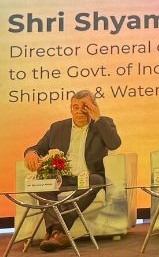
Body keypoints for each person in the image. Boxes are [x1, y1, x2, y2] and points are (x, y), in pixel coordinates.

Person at [24, 90, 121, 252]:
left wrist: (98, 118)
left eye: (85, 107)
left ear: (93, 107)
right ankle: (59, 234)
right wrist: (30, 153)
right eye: (75, 107)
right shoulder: (58, 128)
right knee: (42, 183)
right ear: (70, 109)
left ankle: (56, 230)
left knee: (96, 181)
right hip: (62, 179)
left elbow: (114, 144)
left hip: (89, 178)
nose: (79, 111)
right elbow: (37, 148)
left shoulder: (103, 124)